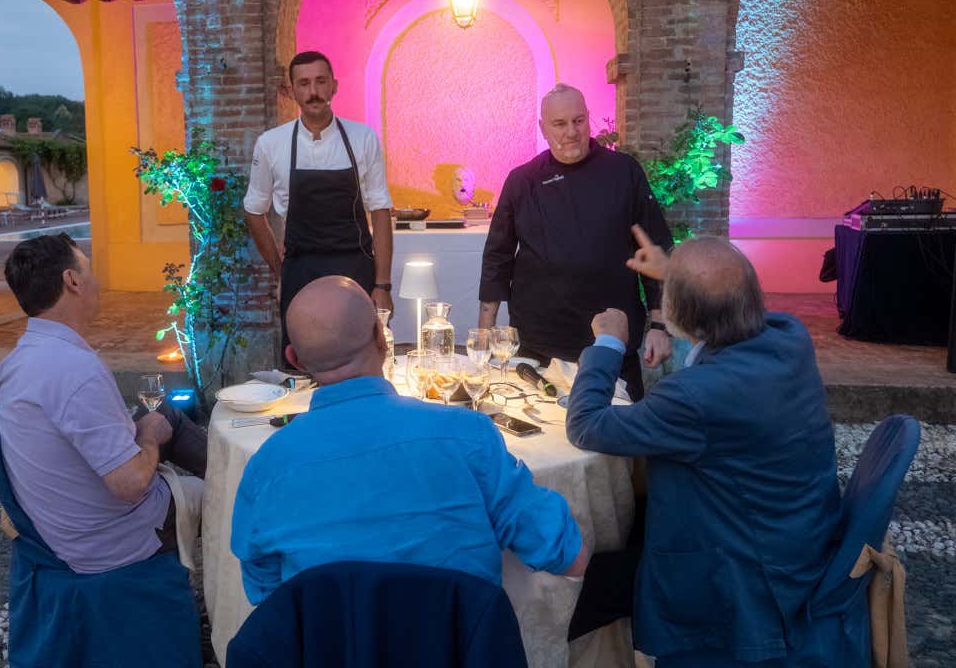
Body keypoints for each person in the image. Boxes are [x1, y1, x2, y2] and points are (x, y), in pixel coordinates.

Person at [566, 228, 843, 666]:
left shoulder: (696, 395)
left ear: (678, 319)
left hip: (745, 577)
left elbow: (586, 426)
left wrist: (608, 342)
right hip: (795, 542)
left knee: (574, 584)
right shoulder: (788, 336)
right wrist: (674, 274)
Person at [230, 275, 588, 605]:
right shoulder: (468, 436)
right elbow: (568, 557)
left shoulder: (267, 465)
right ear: (381, 338)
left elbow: (265, 594)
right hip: (459, 649)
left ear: (294, 359)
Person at [0, 233, 208, 577]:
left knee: (165, 413)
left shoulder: (17, 360)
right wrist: (150, 438)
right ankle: (247, 493)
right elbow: (130, 485)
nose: (97, 280)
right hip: (111, 539)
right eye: (89, 269)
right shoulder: (76, 372)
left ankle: (239, 471)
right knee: (220, 495)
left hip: (63, 521)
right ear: (72, 280)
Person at [478, 84, 673, 400]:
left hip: (613, 342)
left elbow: (654, 249)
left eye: (579, 121)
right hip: (538, 344)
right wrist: (484, 336)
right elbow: (497, 258)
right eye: (560, 124)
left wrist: (660, 327)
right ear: (543, 128)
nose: (571, 132)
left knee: (617, 438)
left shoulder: (624, 171)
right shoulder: (522, 180)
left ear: (588, 119)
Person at [244, 51, 395, 361]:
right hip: (302, 272)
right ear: (292, 91)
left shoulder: (363, 138)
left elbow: (380, 210)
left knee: (362, 359)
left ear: (334, 86)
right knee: (303, 361)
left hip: (356, 268)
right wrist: (280, 270)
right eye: (304, 83)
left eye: (320, 81)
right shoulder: (271, 144)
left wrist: (382, 284)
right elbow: (253, 210)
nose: (313, 92)